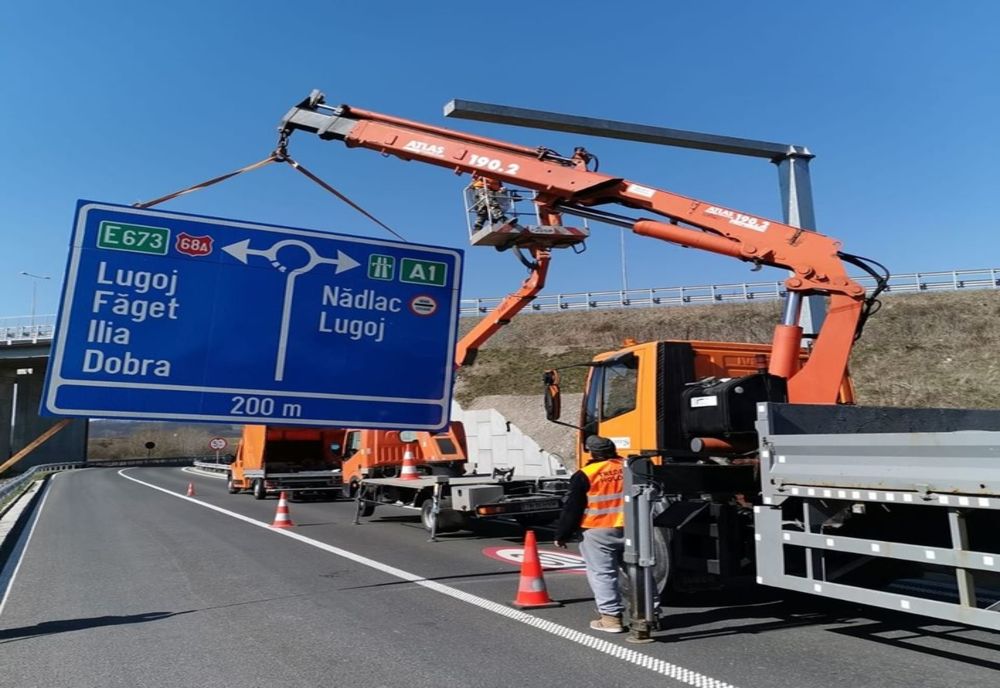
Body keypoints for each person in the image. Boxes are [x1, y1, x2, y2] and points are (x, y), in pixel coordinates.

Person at [554, 435, 626, 633]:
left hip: (597, 530)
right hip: (632, 528)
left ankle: (611, 619)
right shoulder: (630, 467)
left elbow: (573, 508)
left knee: (603, 574)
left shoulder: (586, 474)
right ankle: (651, 615)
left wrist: (562, 534)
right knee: (640, 570)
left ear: (591, 452)